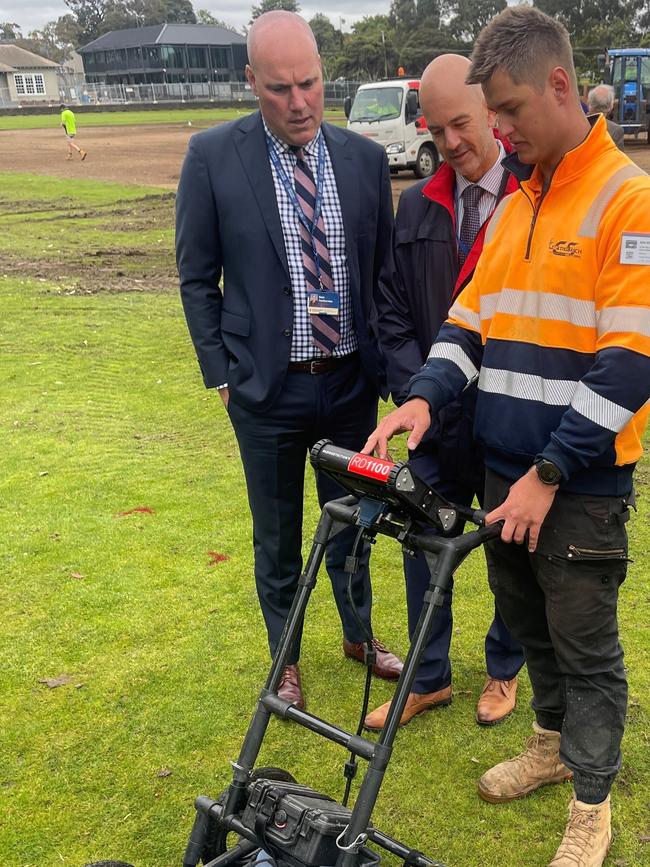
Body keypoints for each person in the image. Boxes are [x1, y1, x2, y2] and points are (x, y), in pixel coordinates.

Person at [363, 6, 650, 866]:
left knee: (585, 644)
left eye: (512, 111)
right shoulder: (516, 206)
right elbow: (467, 323)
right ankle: (550, 745)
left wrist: (551, 471)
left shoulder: (626, 199)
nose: (501, 131)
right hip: (502, 477)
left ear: (561, 84)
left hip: (576, 489)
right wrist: (421, 398)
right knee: (528, 628)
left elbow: (631, 363)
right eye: (493, 116)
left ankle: (592, 803)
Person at [176, 11, 402, 712]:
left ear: (322, 74)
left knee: (355, 520)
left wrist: (391, 370)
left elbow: (382, 274)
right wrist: (221, 372)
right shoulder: (212, 157)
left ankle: (359, 632)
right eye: (279, 88)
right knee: (275, 532)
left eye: (308, 82)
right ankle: (286, 656)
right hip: (265, 391)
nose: (299, 101)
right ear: (252, 82)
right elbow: (196, 276)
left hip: (348, 384)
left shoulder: (364, 161)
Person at [364, 54, 524, 733]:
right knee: (422, 544)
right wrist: (415, 393)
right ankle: (428, 678)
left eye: (461, 123)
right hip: (431, 417)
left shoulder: (532, 195)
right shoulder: (418, 204)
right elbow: (392, 311)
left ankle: (502, 668)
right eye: (437, 127)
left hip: (506, 417)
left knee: (509, 551)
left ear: (489, 110)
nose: (451, 141)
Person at [587, 83, 625, 150]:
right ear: (610, 106)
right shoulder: (615, 131)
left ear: (589, 103)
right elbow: (618, 159)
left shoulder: (576, 125)